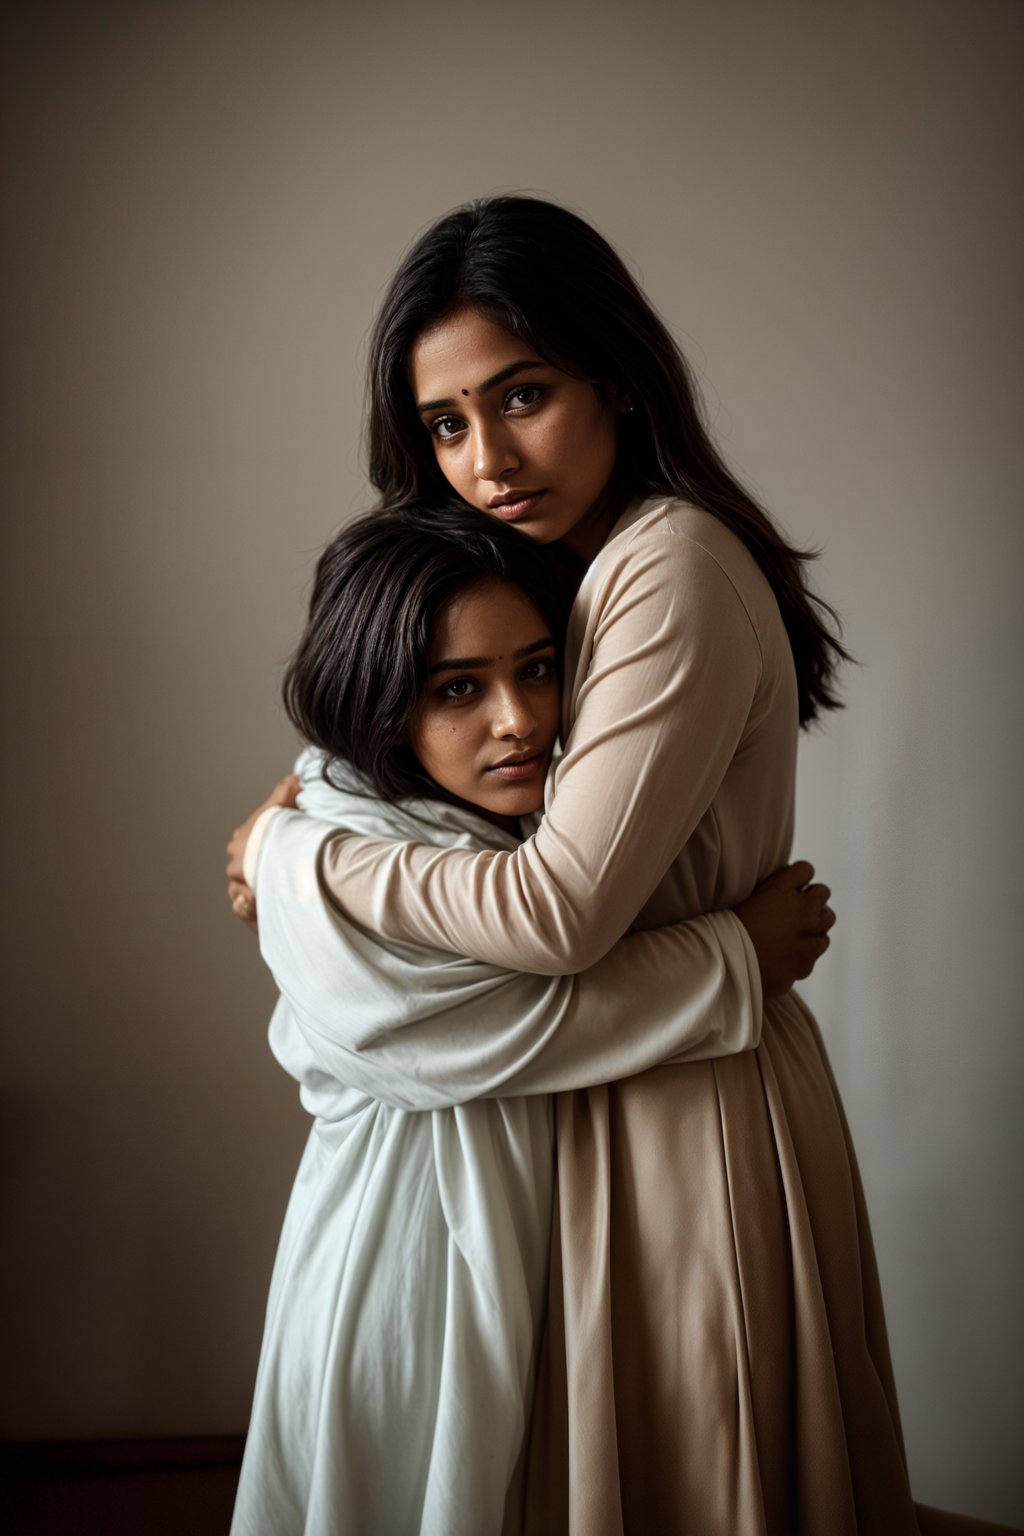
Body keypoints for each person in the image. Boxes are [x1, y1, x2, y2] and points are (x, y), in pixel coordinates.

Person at [229, 197, 1006, 1534]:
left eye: (521, 395)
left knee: (692, 1473)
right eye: (447, 423)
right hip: (589, 1085)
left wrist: (303, 855)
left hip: (683, 1107)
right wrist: (308, 807)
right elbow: (403, 766)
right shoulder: (550, 578)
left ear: (618, 378)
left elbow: (555, 908)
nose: (487, 456)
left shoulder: (668, 567)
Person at [228, 505, 832, 1536]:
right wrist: (731, 959)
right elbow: (507, 1024)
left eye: (539, 670)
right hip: (402, 1257)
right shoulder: (336, 838)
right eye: (457, 688)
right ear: (378, 703)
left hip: (519, 1235)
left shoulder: (505, 834)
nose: (519, 719)